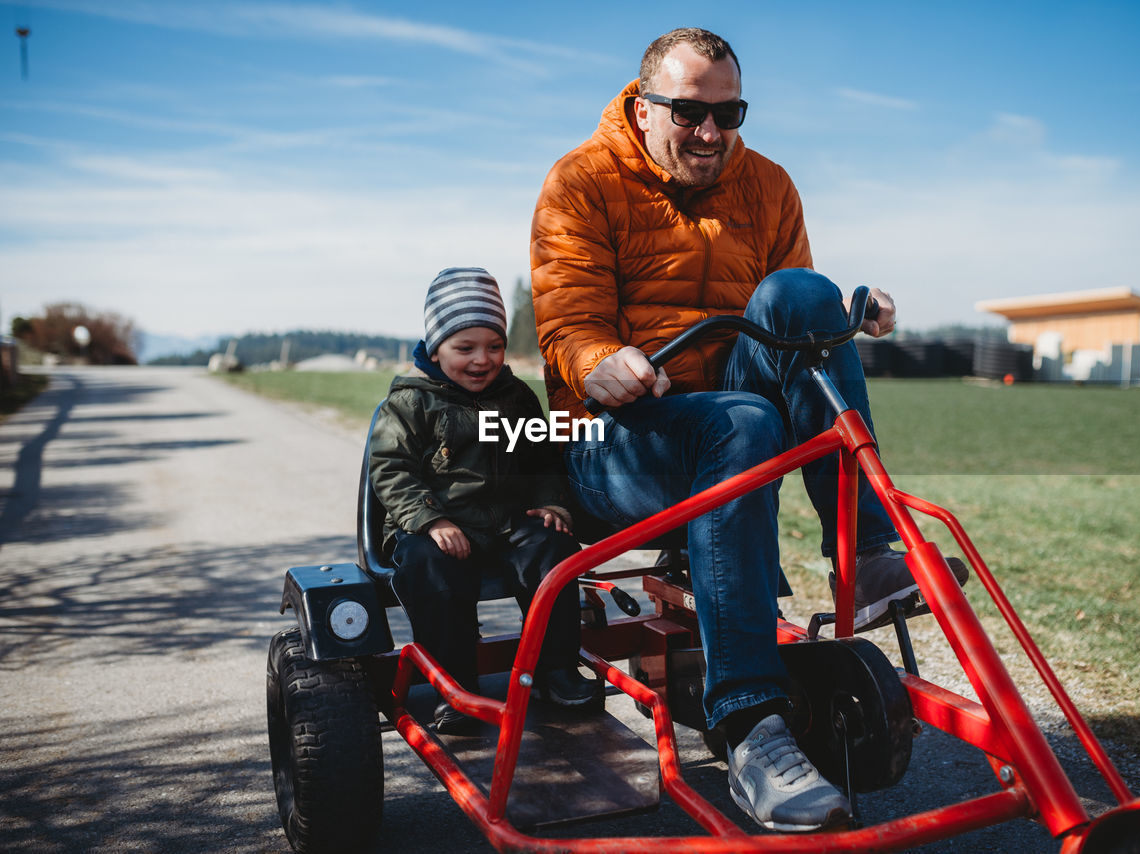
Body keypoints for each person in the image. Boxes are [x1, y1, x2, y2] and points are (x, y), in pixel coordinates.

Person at [530, 29, 968, 830]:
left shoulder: (768, 185)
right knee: (740, 421)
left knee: (803, 294)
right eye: (690, 112)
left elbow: (788, 330)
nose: (711, 133)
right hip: (615, 437)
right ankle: (748, 724)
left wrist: (843, 322)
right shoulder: (581, 182)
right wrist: (598, 360)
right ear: (642, 104)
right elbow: (565, 324)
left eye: (728, 112)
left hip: (735, 419)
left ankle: (866, 554)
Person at [369, 266, 598, 735]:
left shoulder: (515, 399)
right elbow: (391, 471)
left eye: (494, 346)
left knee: (553, 549)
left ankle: (555, 669)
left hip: (506, 522)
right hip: (434, 527)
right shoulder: (410, 403)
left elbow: (541, 458)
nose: (482, 360)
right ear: (436, 348)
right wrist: (430, 521)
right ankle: (456, 689)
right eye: (464, 348)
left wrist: (552, 502)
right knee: (432, 570)